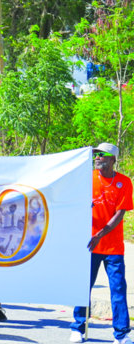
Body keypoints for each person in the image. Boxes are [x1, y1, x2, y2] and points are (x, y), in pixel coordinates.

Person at [70, 143, 133, 344]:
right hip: (89, 245)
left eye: (102, 155)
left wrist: (100, 234)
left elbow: (119, 214)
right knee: (82, 287)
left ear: (113, 159)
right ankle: (78, 328)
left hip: (113, 248)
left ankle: (121, 334)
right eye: (96, 154)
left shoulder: (124, 182)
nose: (97, 158)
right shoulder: (86, 179)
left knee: (117, 290)